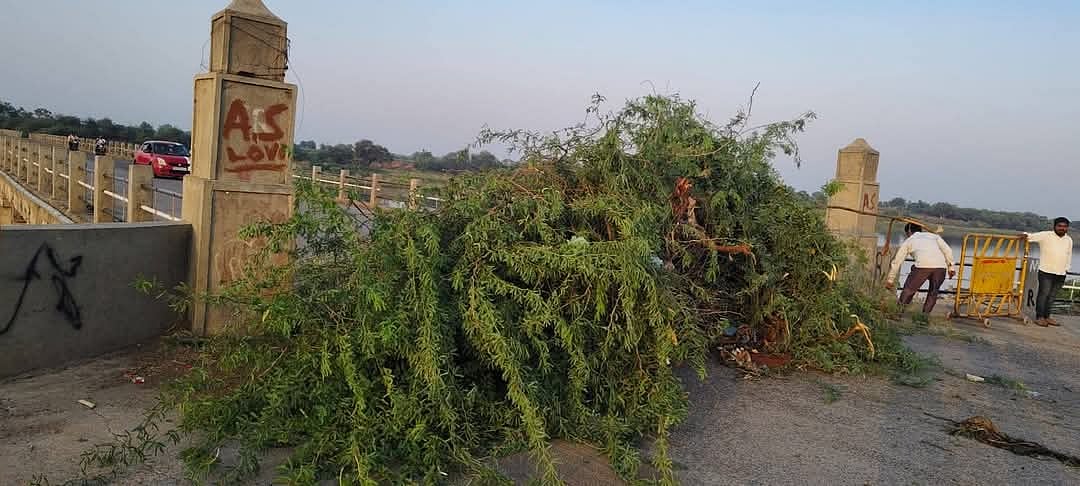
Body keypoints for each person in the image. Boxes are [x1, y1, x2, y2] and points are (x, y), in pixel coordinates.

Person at [885, 223, 956, 315]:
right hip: (940, 267)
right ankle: (924, 317)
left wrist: (890, 280)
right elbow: (948, 251)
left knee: (909, 290)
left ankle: (897, 313)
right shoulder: (934, 236)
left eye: (906, 234)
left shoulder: (910, 240)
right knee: (933, 293)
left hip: (923, 266)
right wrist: (951, 268)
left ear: (909, 231)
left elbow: (897, 261)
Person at [1021, 218, 1073, 327]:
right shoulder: (1046, 235)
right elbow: (1030, 237)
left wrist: (1067, 268)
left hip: (1061, 273)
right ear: (1054, 226)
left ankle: (1047, 317)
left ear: (1067, 228)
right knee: (1043, 295)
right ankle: (1039, 317)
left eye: (1064, 226)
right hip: (1046, 271)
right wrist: (1024, 235)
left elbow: (1068, 255)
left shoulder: (1069, 240)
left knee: (1052, 296)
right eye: (1060, 226)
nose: (1062, 228)